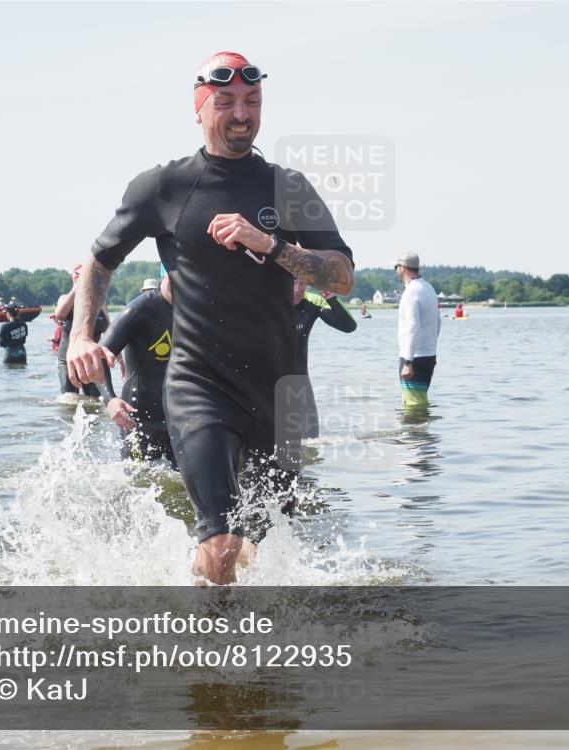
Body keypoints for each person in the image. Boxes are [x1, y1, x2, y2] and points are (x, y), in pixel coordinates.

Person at [66, 51, 354, 585]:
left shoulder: (287, 187)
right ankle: (206, 657)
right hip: (200, 385)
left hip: (277, 393)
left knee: (258, 547)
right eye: (226, 103)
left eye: (253, 101)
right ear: (199, 108)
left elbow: (341, 276)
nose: (241, 114)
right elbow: (101, 260)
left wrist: (270, 246)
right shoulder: (162, 187)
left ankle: (237, 650)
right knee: (221, 542)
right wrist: (82, 334)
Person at [98, 275, 175, 464]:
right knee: (137, 484)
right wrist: (110, 400)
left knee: (187, 488)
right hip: (139, 420)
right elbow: (99, 357)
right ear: (166, 276)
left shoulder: (193, 309)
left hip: (179, 419)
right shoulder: (140, 309)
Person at [292, 278, 356, 438]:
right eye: (293, 283)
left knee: (310, 440)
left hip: (299, 379)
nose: (298, 289)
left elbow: (349, 326)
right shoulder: (268, 301)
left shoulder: (312, 302)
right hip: (266, 380)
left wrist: (329, 296)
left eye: (302, 283)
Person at [54, 263, 111, 397]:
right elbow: (59, 315)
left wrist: (116, 356)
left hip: (91, 360)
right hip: (68, 360)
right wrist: (77, 288)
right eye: (78, 274)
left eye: (85, 275)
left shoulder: (99, 301)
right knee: (70, 400)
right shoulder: (64, 298)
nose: (81, 277)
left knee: (94, 401)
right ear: (72, 276)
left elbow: (109, 328)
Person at [395, 251, 440, 408]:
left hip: (414, 358)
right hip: (428, 355)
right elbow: (438, 322)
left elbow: (412, 327)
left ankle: (414, 433)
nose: (396, 270)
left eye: (396, 266)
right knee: (417, 401)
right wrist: (432, 349)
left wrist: (408, 361)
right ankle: (417, 432)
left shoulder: (411, 292)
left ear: (402, 268)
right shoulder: (428, 288)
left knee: (413, 405)